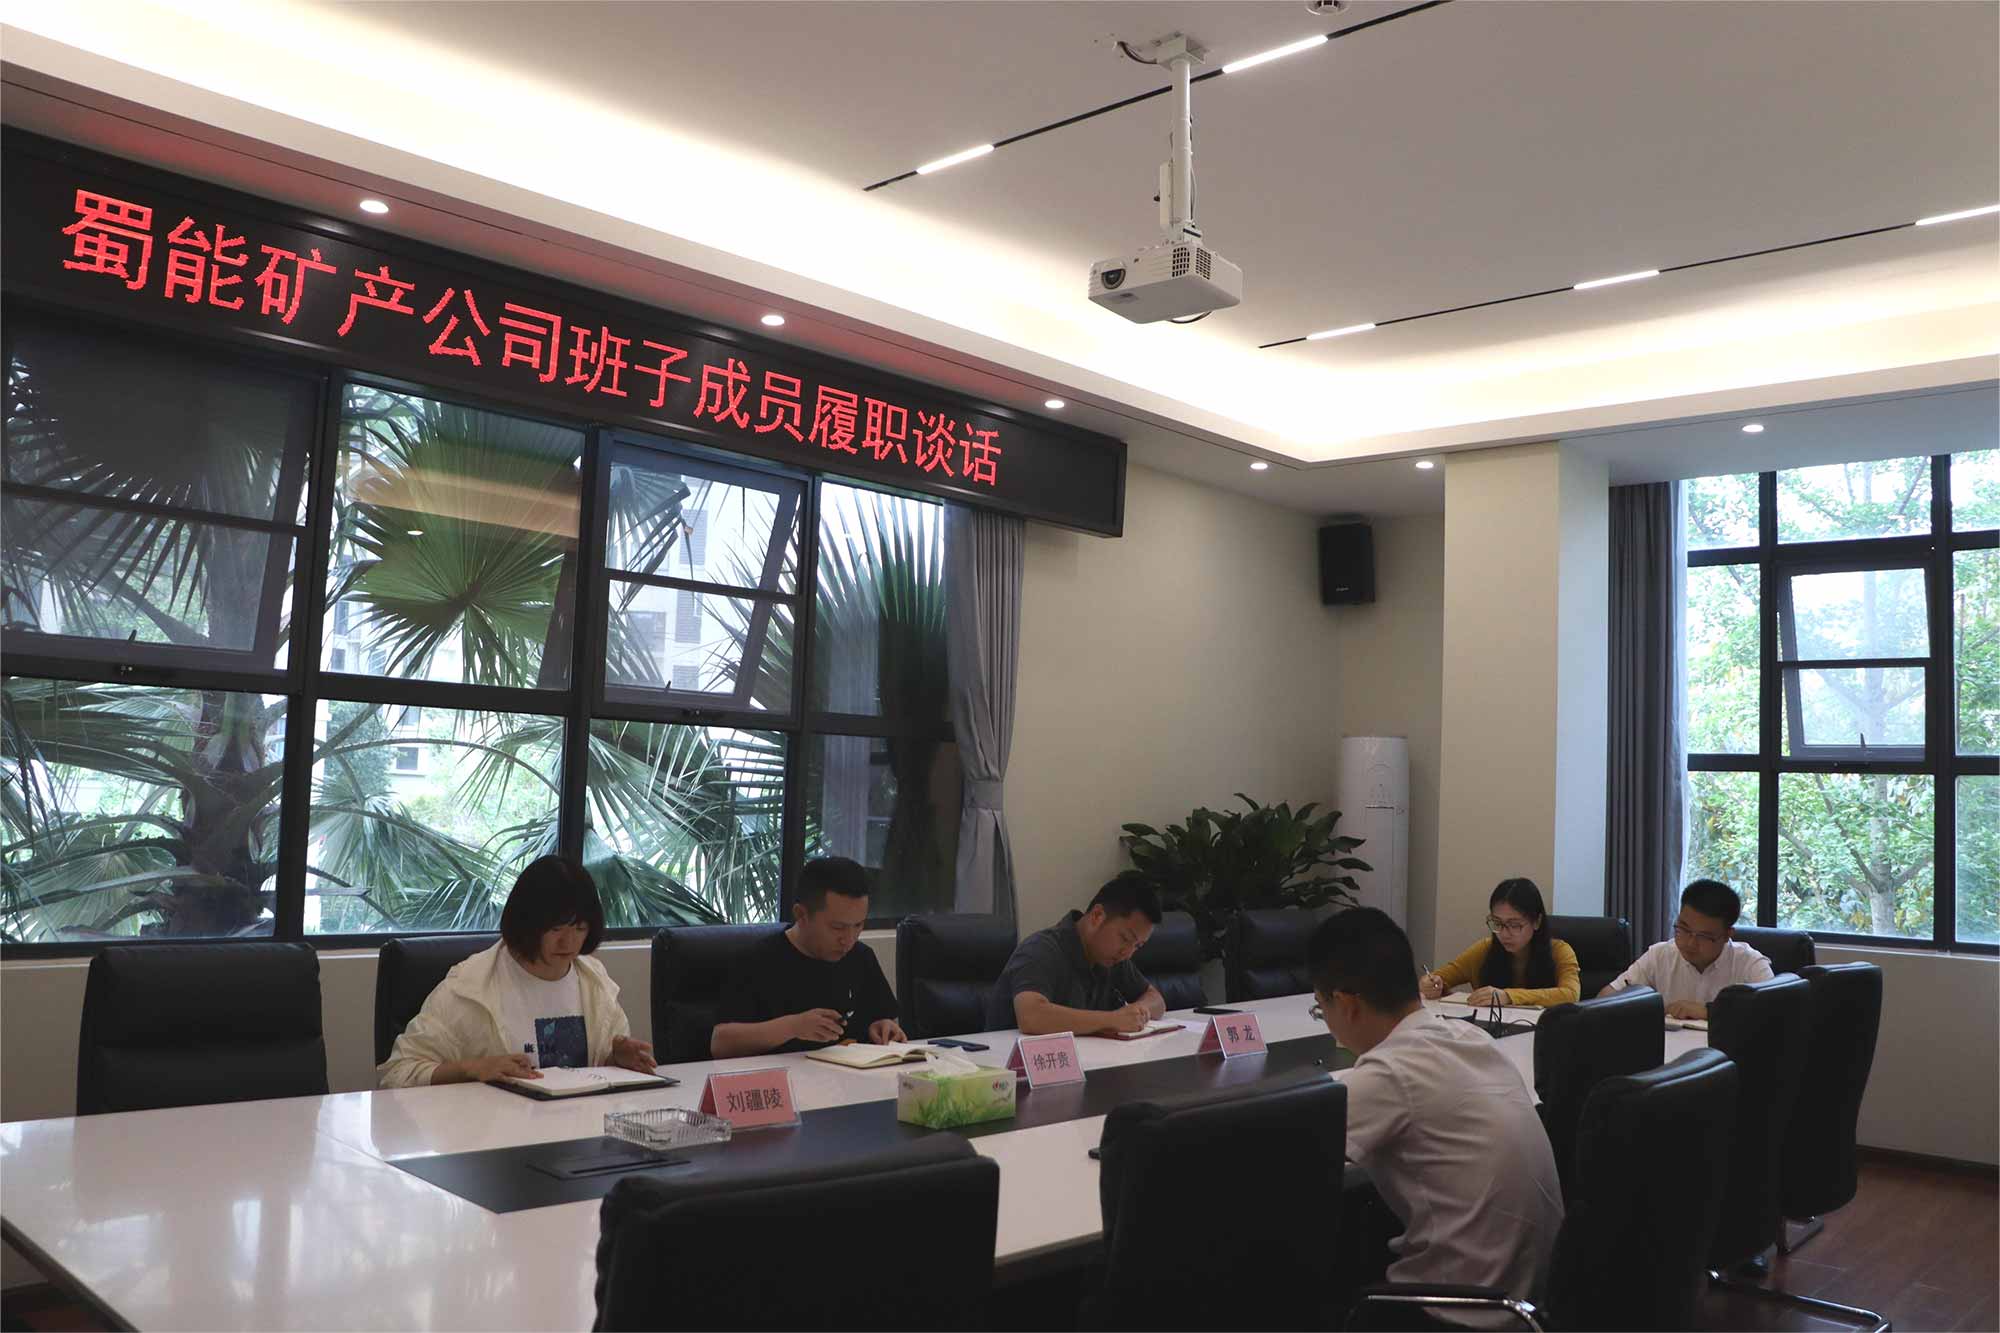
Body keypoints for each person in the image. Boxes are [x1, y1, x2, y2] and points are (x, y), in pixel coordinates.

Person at [1311, 907, 1564, 1323]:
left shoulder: (1390, 1071)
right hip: (1537, 1301)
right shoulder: (1469, 1036)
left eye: (1320, 1008)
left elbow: (1289, 1164)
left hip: (1460, 1313)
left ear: (1346, 1003)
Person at [379, 856, 655, 1087]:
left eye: (580, 928)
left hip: (580, 1127)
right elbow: (397, 1073)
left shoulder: (596, 984)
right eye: (555, 929)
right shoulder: (469, 987)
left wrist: (615, 1061)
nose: (568, 942)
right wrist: (473, 1068)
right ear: (526, 924)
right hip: (494, 1129)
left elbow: (591, 1075)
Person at [710, 856, 905, 1057]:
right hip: (782, 1074)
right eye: (837, 927)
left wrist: (884, 1027)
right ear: (801, 915)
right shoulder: (756, 960)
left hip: (849, 1074)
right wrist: (792, 1027)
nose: (849, 939)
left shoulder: (861, 957)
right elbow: (720, 1044)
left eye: (858, 925)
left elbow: (881, 1019)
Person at [987, 875, 1168, 1035]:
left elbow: (1156, 999)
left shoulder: (1113, 958)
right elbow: (1031, 1016)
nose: (1128, 953)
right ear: (1097, 916)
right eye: (1125, 938)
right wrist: (1112, 1020)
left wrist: (1139, 1011)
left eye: (1137, 946)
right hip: (1009, 1060)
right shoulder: (1041, 949)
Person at [1599, 879, 1773, 1019]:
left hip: (1725, 1052)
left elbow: (1776, 1013)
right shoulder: (1659, 955)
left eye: (1704, 936)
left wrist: (1709, 1012)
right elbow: (1604, 999)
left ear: (1727, 935)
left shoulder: (1750, 963)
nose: (1690, 943)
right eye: (1684, 929)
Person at [1418, 878, 1580, 1008]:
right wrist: (1430, 985)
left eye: (1514, 925)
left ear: (1537, 922)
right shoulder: (1484, 949)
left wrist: (1508, 996)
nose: (1504, 933)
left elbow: (1571, 994)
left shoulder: (1559, 951)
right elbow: (1440, 978)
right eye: (1497, 923)